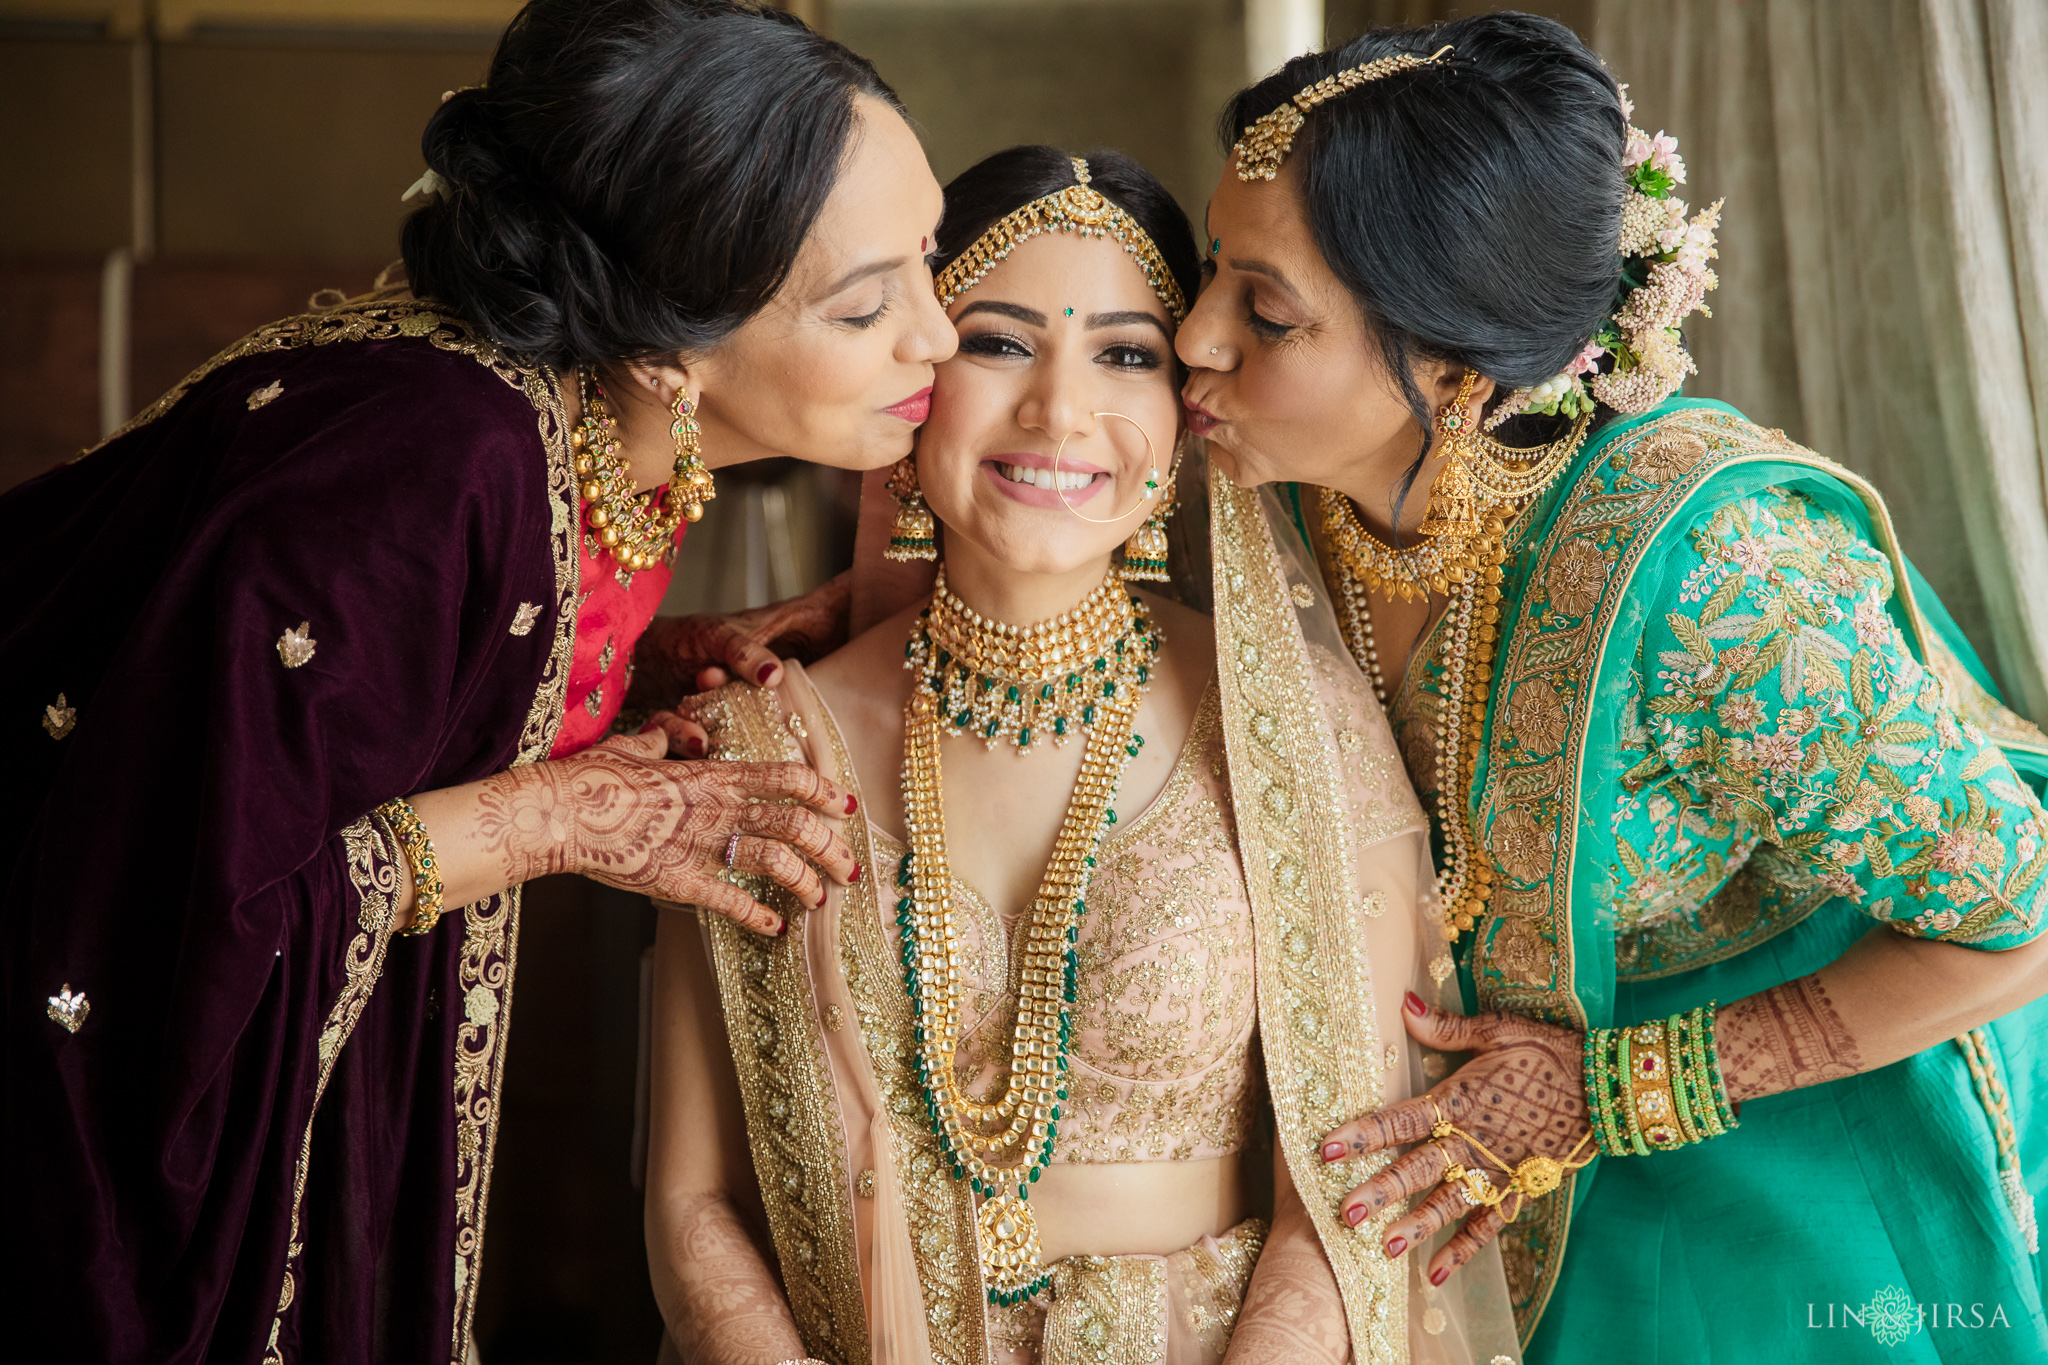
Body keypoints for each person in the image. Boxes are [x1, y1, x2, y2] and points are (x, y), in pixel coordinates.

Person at [0, 2, 956, 1358]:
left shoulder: (601, 436)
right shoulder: (439, 461)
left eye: (928, 260)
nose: (938, 334)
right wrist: (574, 818)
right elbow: (179, 912)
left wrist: (638, 666)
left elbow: (384, 703)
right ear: (670, 343)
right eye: (868, 304)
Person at [1172, 12, 2048, 1362]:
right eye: (1212, 274)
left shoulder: (1724, 585)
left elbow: (2016, 922)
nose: (1193, 337)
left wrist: (1610, 1091)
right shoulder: (1297, 499)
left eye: (1265, 311)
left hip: (1812, 1125)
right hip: (1509, 1133)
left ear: (1456, 371)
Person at [642, 145, 1521, 1365]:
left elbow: (1355, 1194)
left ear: (1182, 412)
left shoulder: (1295, 723)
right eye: (999, 343)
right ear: (915, 383)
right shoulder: (753, 744)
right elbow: (693, 1205)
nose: (1059, 412)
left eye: (1124, 354)